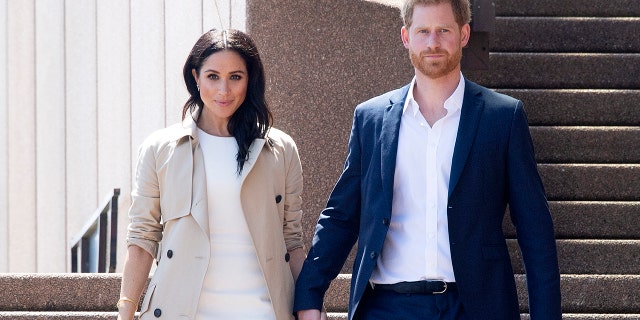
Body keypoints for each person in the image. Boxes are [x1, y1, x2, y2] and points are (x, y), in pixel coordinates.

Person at [294, 0, 561, 319]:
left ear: (464, 34)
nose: (432, 42)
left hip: (475, 308)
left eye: (443, 30)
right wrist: (308, 294)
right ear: (406, 36)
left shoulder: (502, 118)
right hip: (387, 307)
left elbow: (535, 229)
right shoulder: (372, 118)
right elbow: (342, 215)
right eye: (423, 31)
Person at [117, 29, 305, 320]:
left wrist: (308, 307)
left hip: (264, 311)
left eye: (236, 77)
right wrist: (125, 311)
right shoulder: (160, 149)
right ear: (196, 77)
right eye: (213, 76)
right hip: (181, 311)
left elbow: (291, 241)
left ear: (249, 79)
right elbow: (142, 238)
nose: (224, 91)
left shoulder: (280, 149)